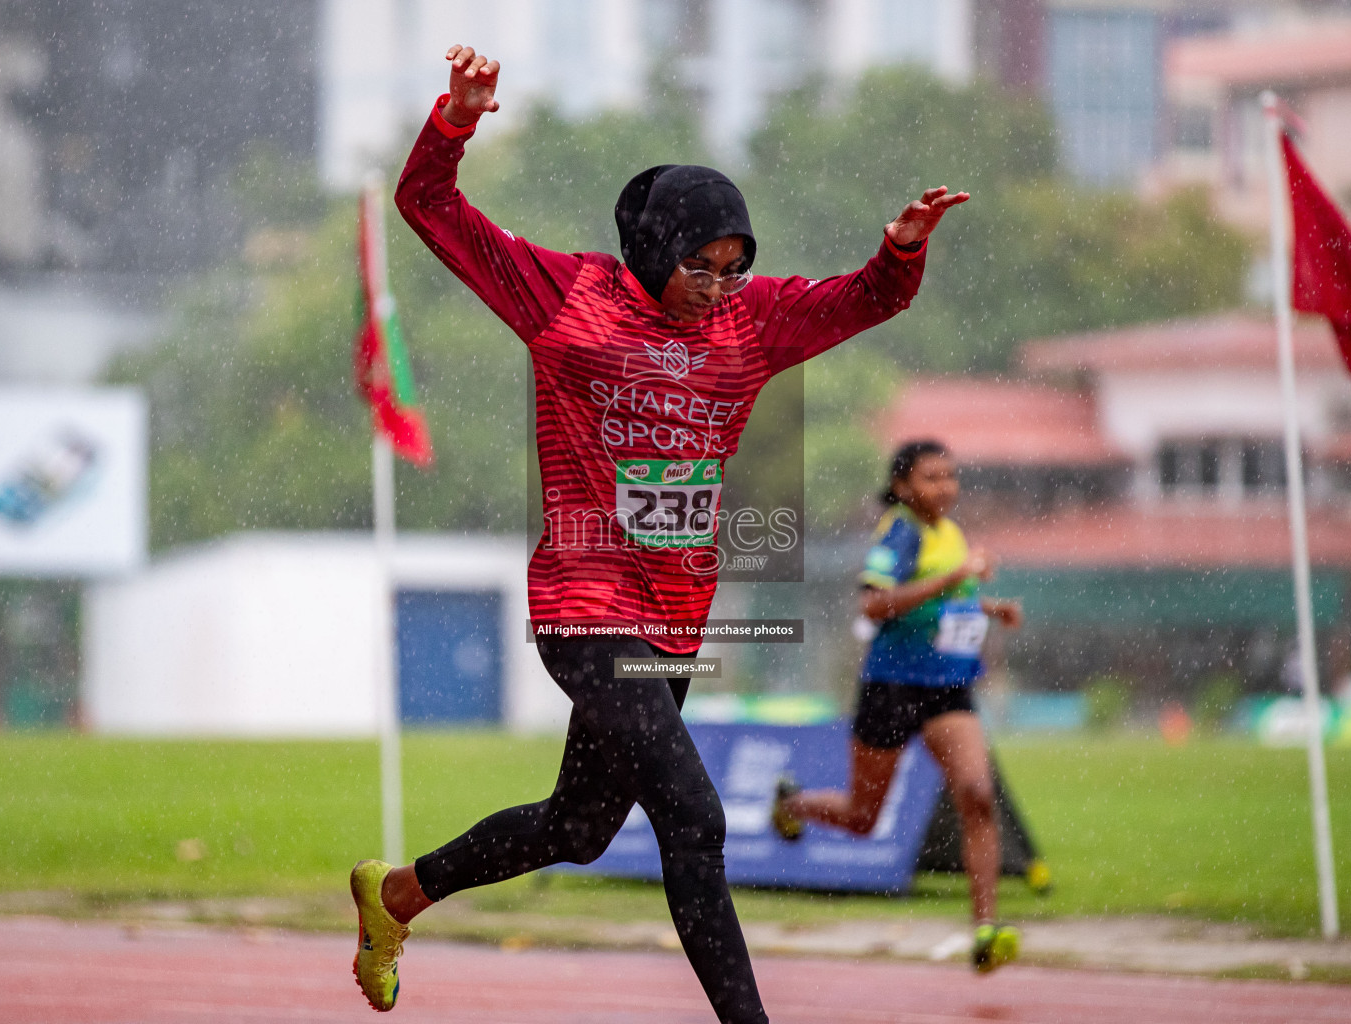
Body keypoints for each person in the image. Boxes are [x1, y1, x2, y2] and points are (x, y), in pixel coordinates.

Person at [348, 45, 969, 1023]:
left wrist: (899, 249)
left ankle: (397, 895)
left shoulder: (751, 325)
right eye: (699, 266)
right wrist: (456, 118)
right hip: (585, 607)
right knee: (695, 815)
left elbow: (872, 298)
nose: (718, 287)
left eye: (735, 268)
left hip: (674, 619)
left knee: (580, 825)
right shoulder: (567, 296)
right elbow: (428, 205)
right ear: (650, 249)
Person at [770, 439, 1024, 973]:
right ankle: (791, 804)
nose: (945, 487)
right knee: (863, 818)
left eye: (951, 476)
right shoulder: (898, 531)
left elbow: (945, 600)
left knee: (977, 794)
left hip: (948, 688)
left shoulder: (949, 532)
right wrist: (956, 577)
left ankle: (985, 928)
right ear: (904, 486)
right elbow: (875, 602)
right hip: (891, 686)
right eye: (932, 477)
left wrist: (989, 607)